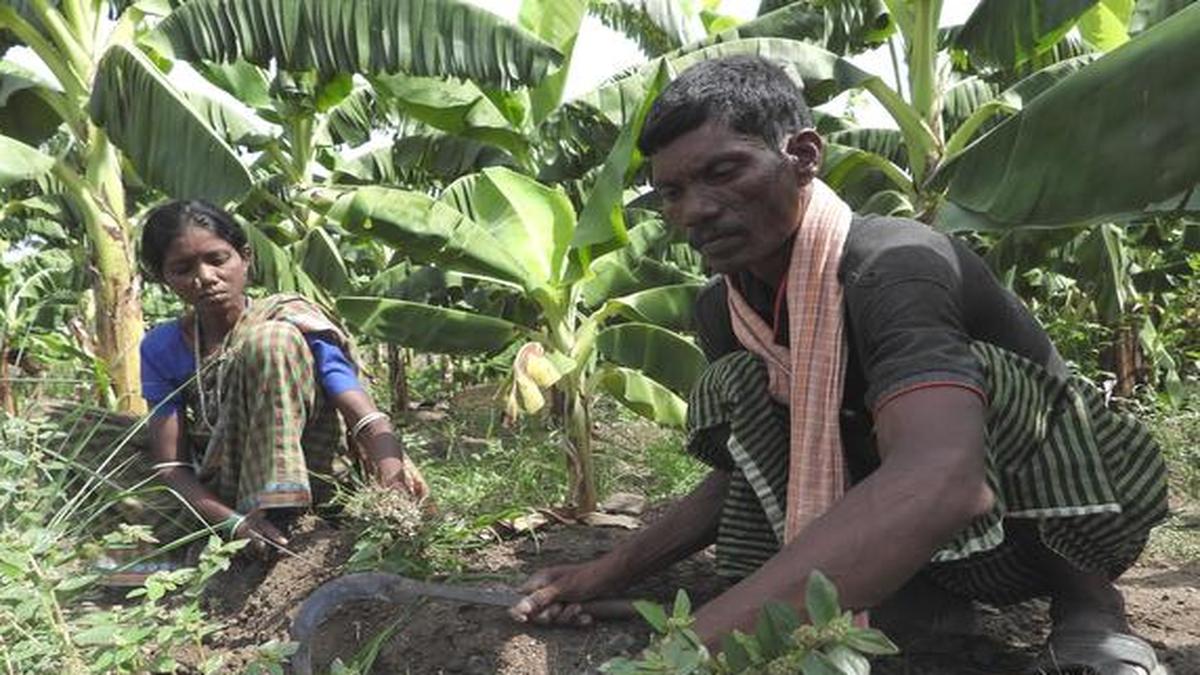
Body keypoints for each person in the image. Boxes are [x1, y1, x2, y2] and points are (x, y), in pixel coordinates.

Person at [510, 56, 1169, 674]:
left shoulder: (895, 265)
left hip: (1061, 514)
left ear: (803, 156)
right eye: (672, 192)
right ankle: (919, 601)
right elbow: (745, 468)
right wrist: (609, 572)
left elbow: (944, 478)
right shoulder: (725, 307)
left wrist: (693, 645)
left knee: (973, 385)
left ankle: (1089, 603)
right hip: (923, 531)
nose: (695, 210)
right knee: (746, 390)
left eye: (723, 172)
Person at [139, 200, 427, 551]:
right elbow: (172, 465)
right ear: (164, 278)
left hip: (322, 476)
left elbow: (363, 415)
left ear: (245, 257)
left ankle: (287, 509)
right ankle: (267, 515)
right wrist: (235, 524)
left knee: (272, 340)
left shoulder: (291, 318)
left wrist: (392, 482)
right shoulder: (162, 347)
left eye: (217, 260)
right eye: (183, 269)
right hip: (232, 491)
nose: (206, 277)